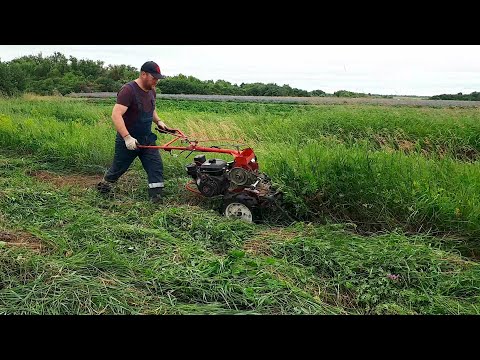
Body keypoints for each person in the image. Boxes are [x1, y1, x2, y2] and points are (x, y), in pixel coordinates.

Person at [96, 61, 172, 203]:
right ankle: (103, 190)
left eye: (158, 78)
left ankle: (156, 199)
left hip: (147, 138)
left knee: (155, 167)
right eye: (154, 77)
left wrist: (159, 121)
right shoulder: (128, 90)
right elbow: (116, 115)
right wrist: (127, 137)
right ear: (143, 74)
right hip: (129, 140)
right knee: (118, 168)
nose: (156, 81)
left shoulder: (151, 90)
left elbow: (151, 108)